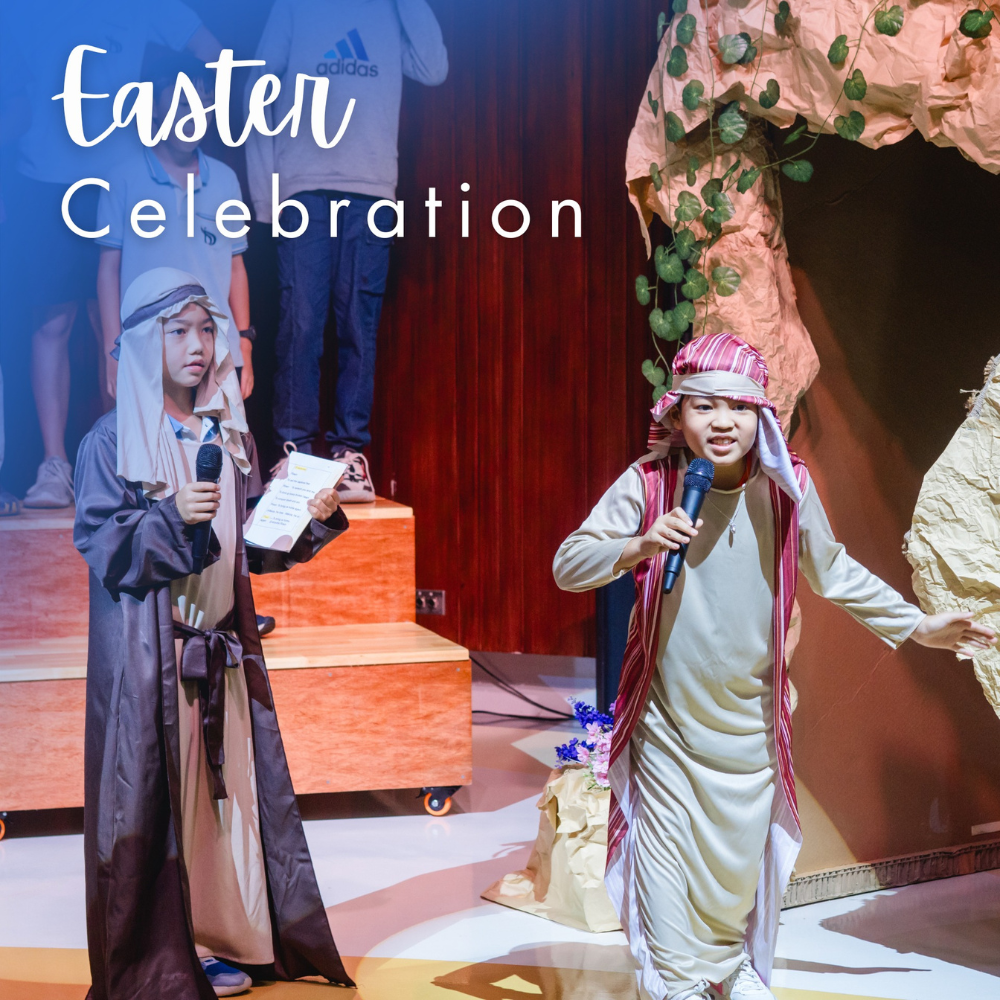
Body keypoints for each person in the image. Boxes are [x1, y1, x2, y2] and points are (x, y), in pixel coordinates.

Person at [552, 333, 995, 1000]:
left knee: (735, 867)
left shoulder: (788, 488)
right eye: (704, 406)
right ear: (677, 414)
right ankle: (677, 980)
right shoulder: (651, 484)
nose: (722, 422)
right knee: (665, 856)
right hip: (667, 719)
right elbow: (568, 565)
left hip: (750, 721)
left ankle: (727, 963)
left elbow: (834, 571)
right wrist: (639, 544)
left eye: (738, 406)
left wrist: (918, 625)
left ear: (760, 414)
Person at [74, 268, 354, 998]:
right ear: (145, 343)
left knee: (222, 813)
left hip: (222, 652)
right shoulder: (110, 442)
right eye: (179, 331)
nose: (198, 345)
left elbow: (247, 547)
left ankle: (224, 937)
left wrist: (306, 515)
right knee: (159, 809)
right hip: (156, 663)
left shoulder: (227, 437)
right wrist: (173, 520)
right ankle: (164, 957)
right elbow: (108, 548)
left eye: (207, 329)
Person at [7, 2, 221, 508]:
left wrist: (183, 104)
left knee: (129, 324)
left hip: (122, 174)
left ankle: (135, 463)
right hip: (45, 178)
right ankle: (55, 463)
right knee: (52, 324)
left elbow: (212, 51)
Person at [244, 0, 448, 501]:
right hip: (303, 186)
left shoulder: (390, 11)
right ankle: (294, 452)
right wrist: (266, 198)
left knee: (359, 323)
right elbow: (257, 89)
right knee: (301, 322)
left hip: (371, 188)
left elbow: (434, 67)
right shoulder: (295, 8)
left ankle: (349, 454)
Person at [96, 48, 255, 406]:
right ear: (154, 107)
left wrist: (243, 343)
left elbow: (236, 267)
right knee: (149, 441)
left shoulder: (226, 180)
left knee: (216, 441)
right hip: (145, 350)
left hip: (214, 352)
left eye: (205, 105)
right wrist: (111, 351)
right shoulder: (123, 178)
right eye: (183, 104)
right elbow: (108, 271)